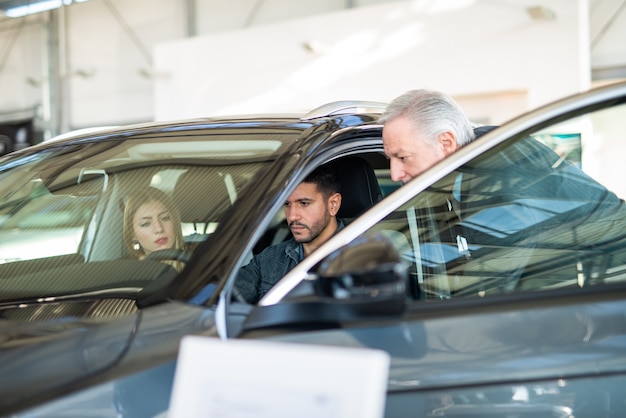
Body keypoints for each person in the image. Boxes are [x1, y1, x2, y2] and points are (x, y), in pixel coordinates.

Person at [236, 164, 343, 303]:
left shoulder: (363, 257)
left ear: (333, 204)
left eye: (304, 203)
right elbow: (228, 295)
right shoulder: (268, 260)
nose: (292, 216)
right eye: (287, 204)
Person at [378, 88, 476, 183]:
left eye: (403, 158)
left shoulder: (486, 194)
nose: (394, 176)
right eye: (389, 159)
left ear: (446, 145)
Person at [123, 186, 186, 270]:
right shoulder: (124, 271)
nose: (159, 229)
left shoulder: (201, 258)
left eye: (165, 218)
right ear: (133, 233)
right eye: (146, 224)